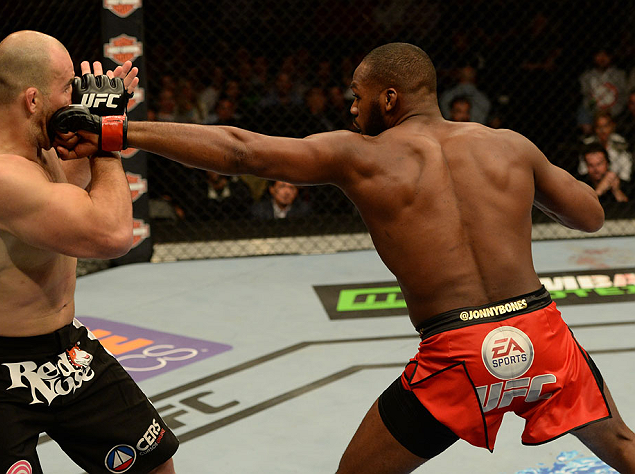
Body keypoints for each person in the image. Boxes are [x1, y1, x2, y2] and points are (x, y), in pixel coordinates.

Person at [55, 42, 635, 473]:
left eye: (357, 98)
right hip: (541, 332)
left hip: (458, 353)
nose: (351, 109)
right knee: (624, 450)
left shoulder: (362, 156)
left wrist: (119, 130)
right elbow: (588, 215)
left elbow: (241, 150)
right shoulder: (508, 144)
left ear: (390, 97)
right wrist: (514, 186)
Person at [0, 31, 178, 473]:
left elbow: (69, 189)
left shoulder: (36, 147)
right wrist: (107, 137)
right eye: (68, 87)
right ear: (32, 100)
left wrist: (96, 120)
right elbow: (111, 234)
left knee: (154, 465)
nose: (76, 95)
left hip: (65, 350)